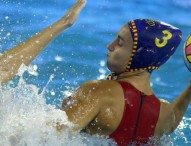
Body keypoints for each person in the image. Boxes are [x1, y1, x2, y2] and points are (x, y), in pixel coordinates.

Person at [0, 0, 191, 145]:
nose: (110, 46)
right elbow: (173, 120)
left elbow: (45, 137)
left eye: (120, 42)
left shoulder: (99, 93)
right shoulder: (163, 115)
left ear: (139, 55)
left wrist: (65, 22)